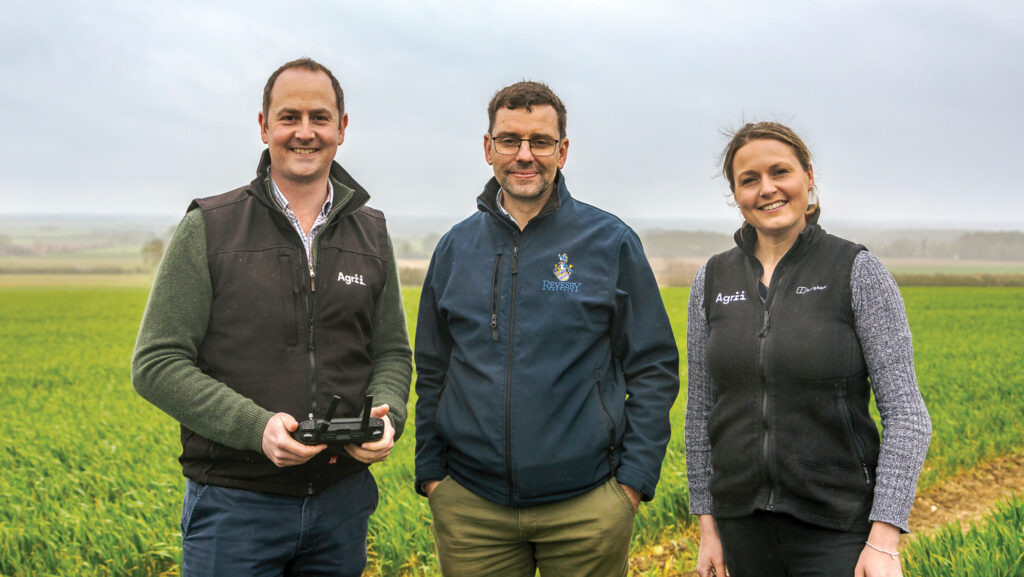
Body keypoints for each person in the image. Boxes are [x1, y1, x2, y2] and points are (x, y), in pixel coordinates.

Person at [131, 57, 412, 577]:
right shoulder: (209, 227)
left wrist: (387, 415)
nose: (304, 132)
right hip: (236, 508)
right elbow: (157, 363)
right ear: (263, 126)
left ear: (342, 129)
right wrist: (256, 428)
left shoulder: (371, 233)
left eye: (320, 118)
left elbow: (391, 351)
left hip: (341, 504)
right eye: (288, 117)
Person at [413, 80, 680, 577]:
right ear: (488, 148)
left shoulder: (611, 243)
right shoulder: (454, 248)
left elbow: (654, 367)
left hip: (587, 509)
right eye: (510, 140)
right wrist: (432, 476)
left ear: (563, 150)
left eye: (540, 141)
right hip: (472, 510)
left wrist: (632, 483)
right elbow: (432, 368)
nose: (524, 155)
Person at [684, 121, 932, 577]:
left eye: (781, 172)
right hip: (740, 530)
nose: (768, 189)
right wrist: (708, 526)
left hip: (838, 531)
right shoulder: (711, 280)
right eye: (749, 179)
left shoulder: (856, 271)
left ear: (809, 176)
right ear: (735, 194)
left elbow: (906, 414)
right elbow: (700, 414)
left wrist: (884, 537)